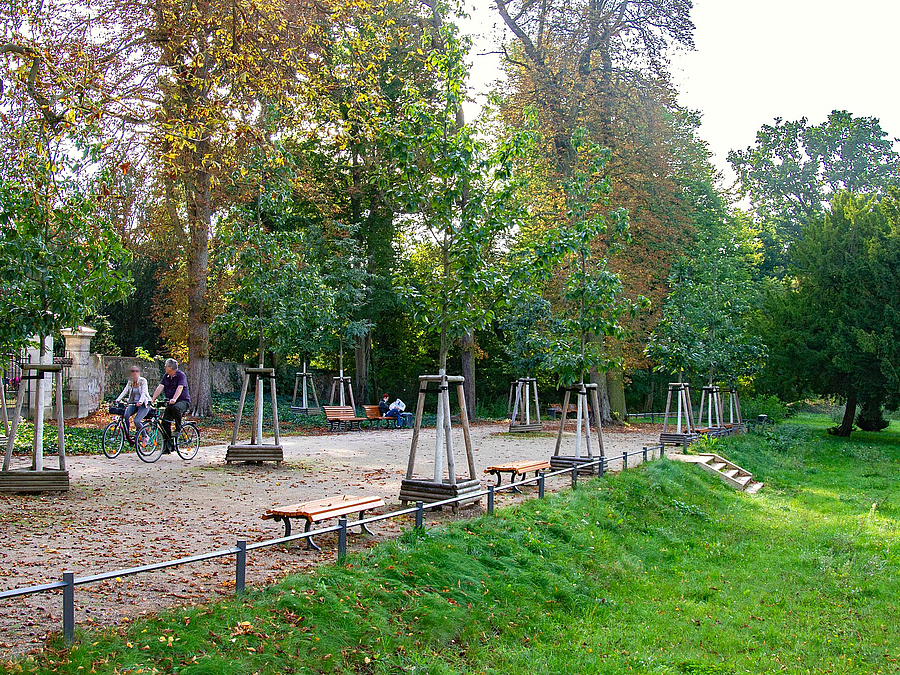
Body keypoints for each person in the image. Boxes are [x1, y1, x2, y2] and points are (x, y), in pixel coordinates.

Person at [150, 358, 191, 454]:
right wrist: (152, 399)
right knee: (164, 424)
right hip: (170, 402)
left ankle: (178, 428)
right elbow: (160, 387)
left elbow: (180, 387)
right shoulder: (166, 376)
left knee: (176, 408)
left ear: (170, 367)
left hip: (182, 401)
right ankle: (168, 447)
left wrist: (175, 399)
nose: (164, 367)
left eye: (166, 365)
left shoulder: (181, 375)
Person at [115, 365, 151, 443]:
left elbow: (144, 392)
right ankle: (127, 434)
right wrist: (117, 400)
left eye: (136, 371)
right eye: (132, 371)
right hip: (134, 403)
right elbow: (124, 391)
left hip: (144, 404)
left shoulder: (143, 381)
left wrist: (140, 401)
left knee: (137, 421)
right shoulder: (130, 382)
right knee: (125, 415)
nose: (134, 373)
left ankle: (145, 436)